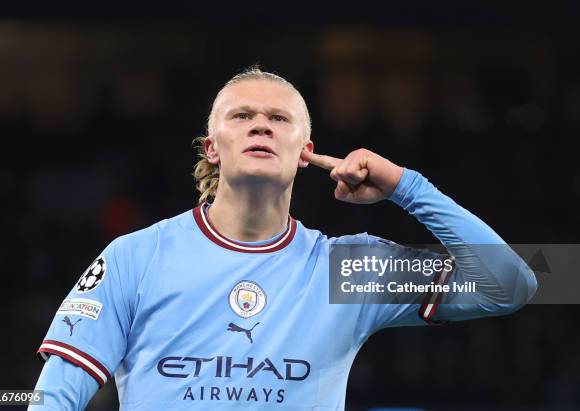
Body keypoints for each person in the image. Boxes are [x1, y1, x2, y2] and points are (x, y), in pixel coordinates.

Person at [29, 67, 537, 410]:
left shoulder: (346, 269)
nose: (261, 127)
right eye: (242, 116)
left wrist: (408, 187)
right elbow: (54, 398)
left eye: (278, 119)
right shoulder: (135, 257)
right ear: (212, 148)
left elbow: (512, 284)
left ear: (305, 151)